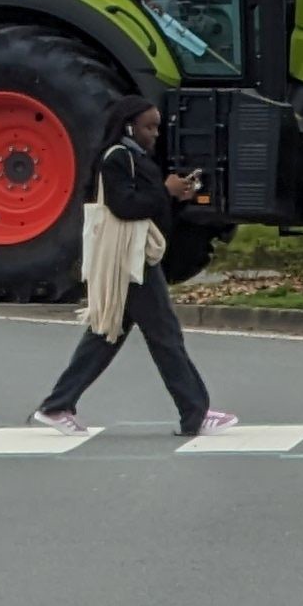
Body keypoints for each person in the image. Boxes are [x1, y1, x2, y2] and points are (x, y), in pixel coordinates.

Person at [34, 98, 240, 438]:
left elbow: (149, 211)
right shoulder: (116, 158)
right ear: (129, 126)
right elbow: (125, 206)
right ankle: (195, 412)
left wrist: (175, 197)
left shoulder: (135, 158)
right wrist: (164, 190)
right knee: (165, 336)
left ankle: (57, 405)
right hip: (130, 261)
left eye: (157, 126)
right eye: (149, 126)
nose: (155, 134)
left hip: (133, 257)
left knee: (106, 333)